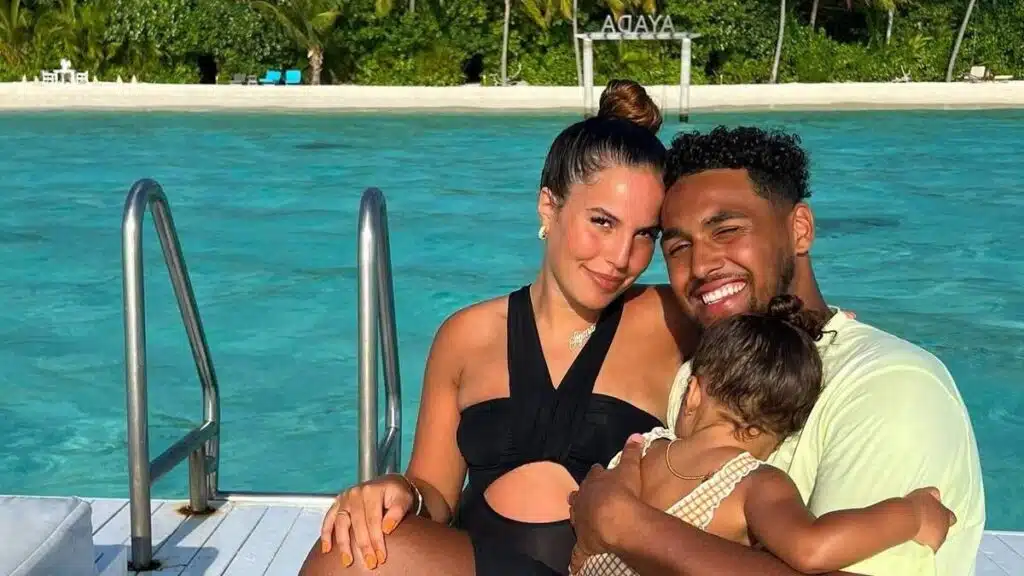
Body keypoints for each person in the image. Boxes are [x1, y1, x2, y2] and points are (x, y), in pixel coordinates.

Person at [299, 80, 694, 576]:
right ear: (548, 206)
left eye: (644, 235)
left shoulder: (670, 320)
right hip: (476, 560)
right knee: (348, 548)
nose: (620, 257)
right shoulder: (466, 336)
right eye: (602, 222)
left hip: (600, 568)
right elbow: (435, 493)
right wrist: (399, 490)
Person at [567, 126, 986, 576]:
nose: (701, 265)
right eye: (679, 247)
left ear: (800, 230)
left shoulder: (888, 386)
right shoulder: (704, 370)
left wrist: (629, 526)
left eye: (727, 230)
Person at [572, 294, 956, 576]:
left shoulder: (642, 450)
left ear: (694, 394)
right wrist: (913, 514)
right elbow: (811, 549)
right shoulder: (752, 483)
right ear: (785, 430)